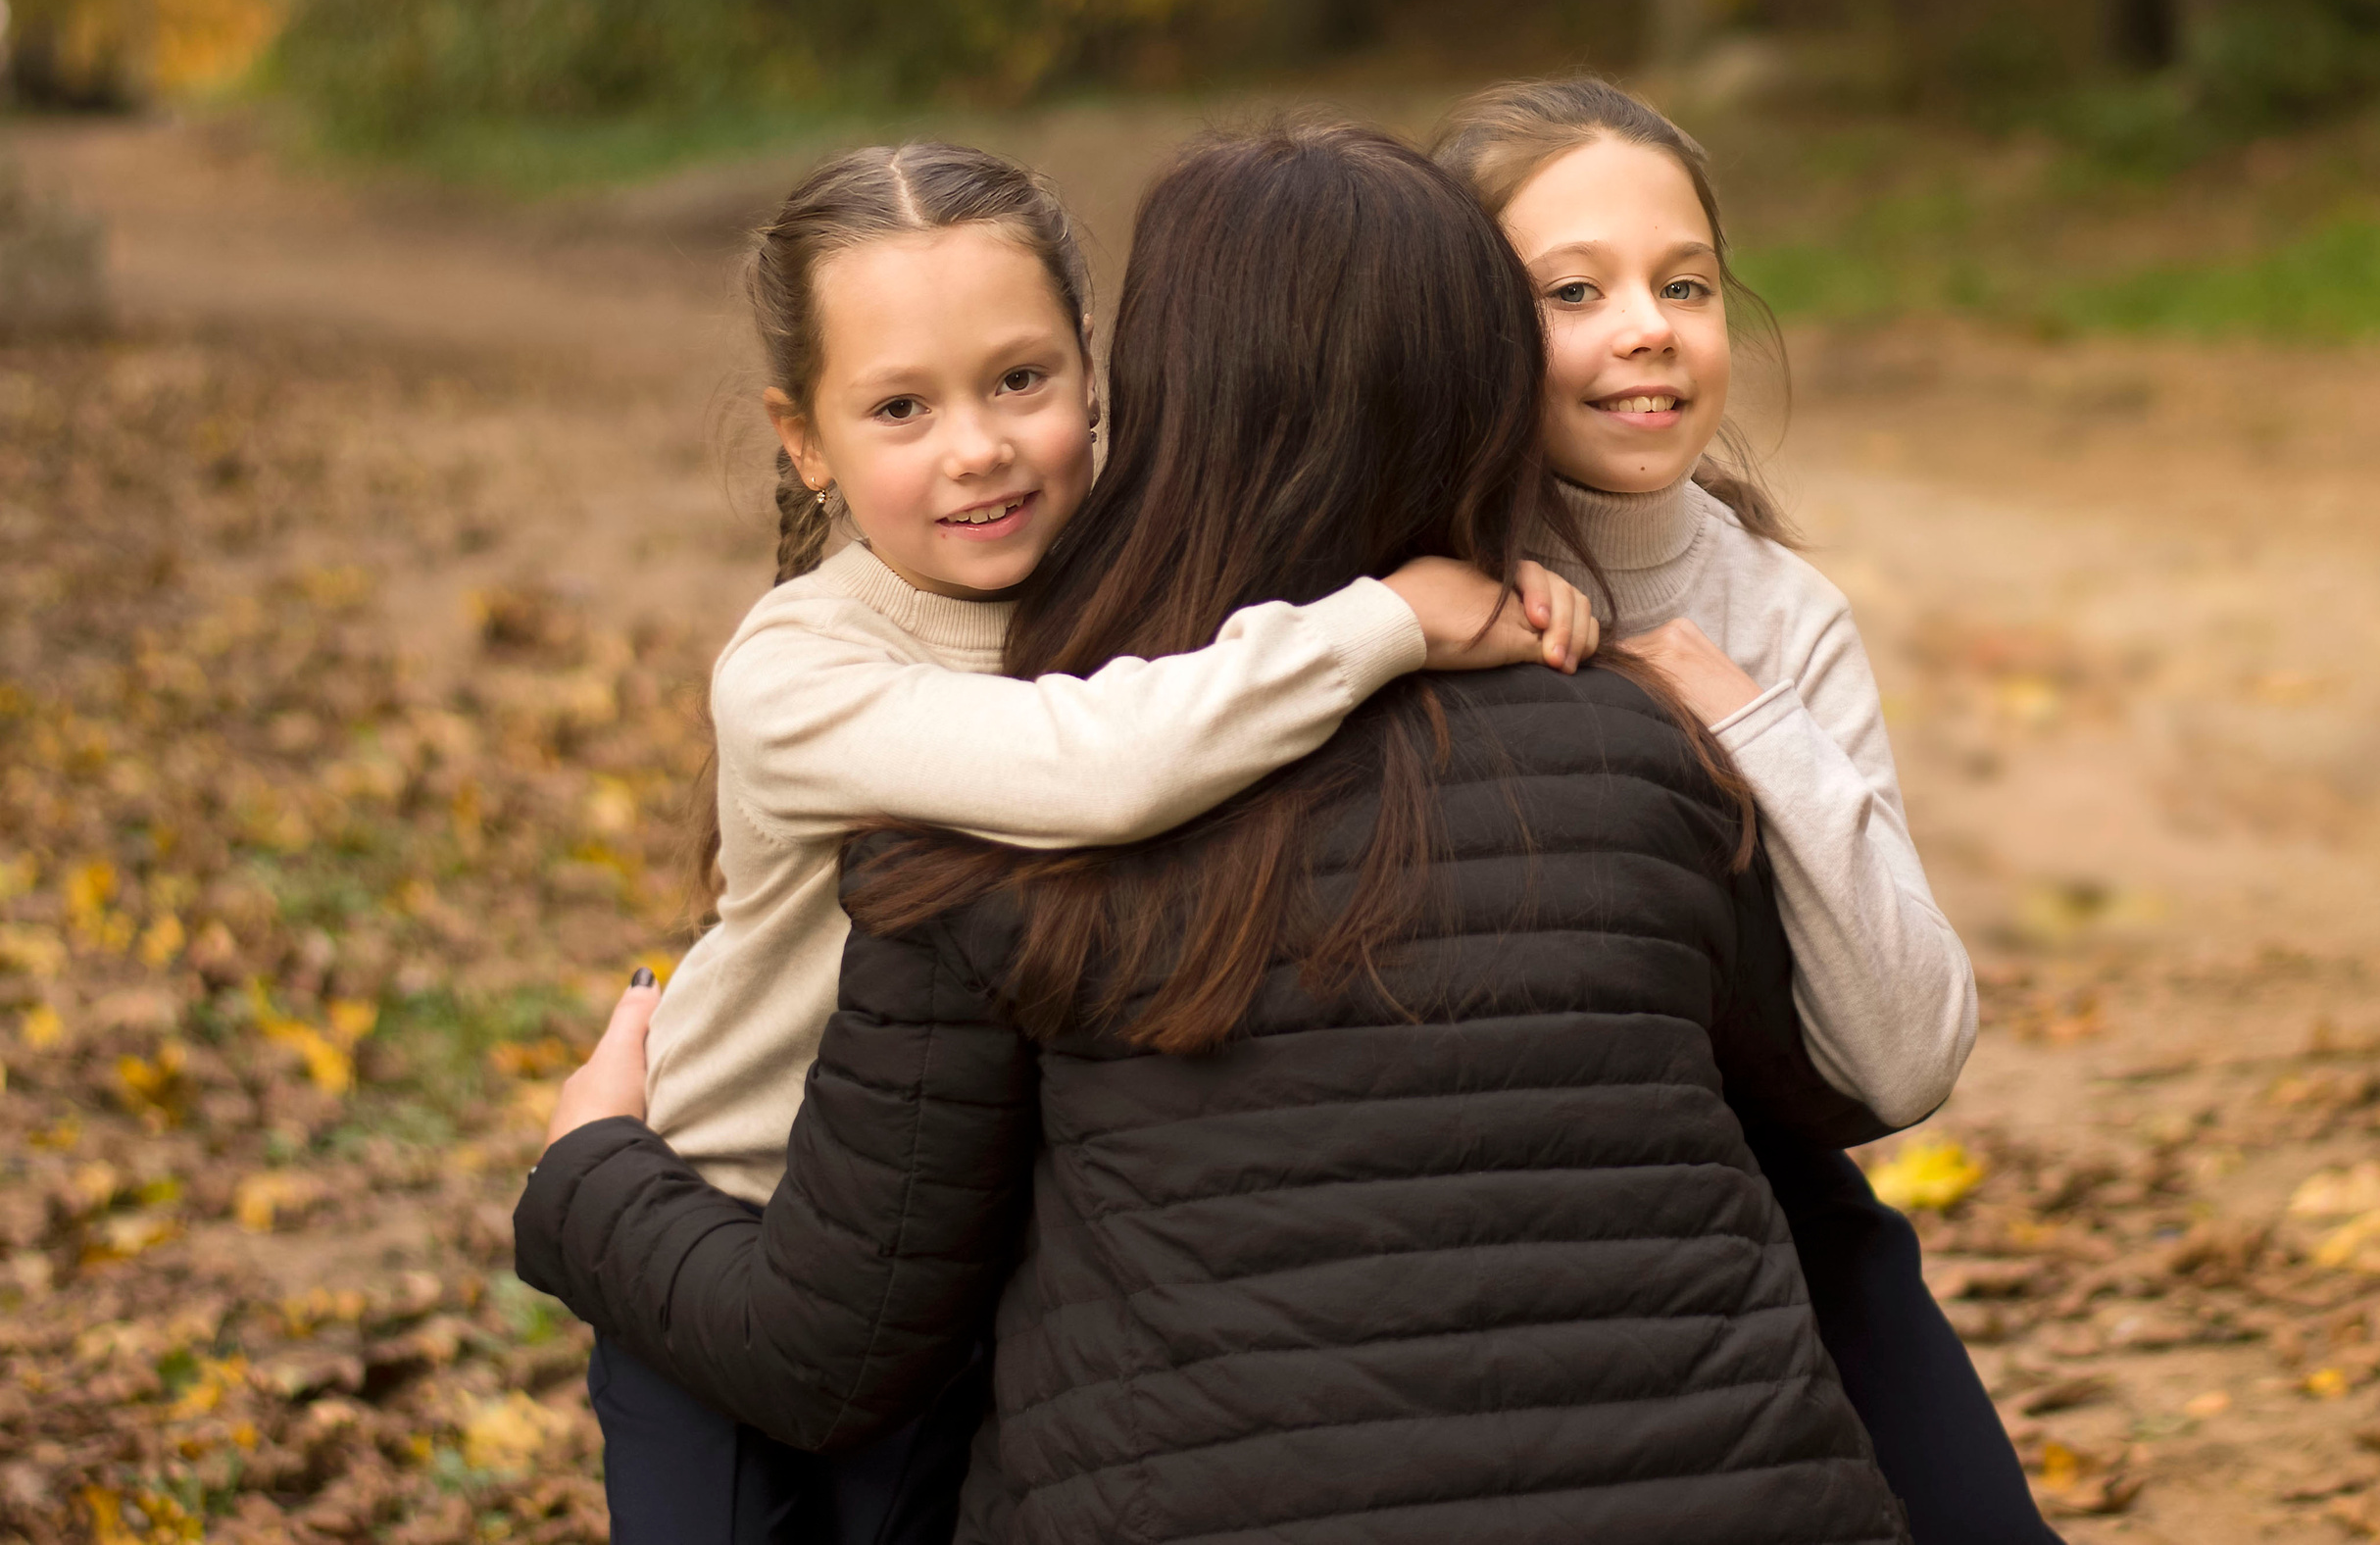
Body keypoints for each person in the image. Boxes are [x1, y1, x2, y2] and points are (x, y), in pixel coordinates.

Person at [519, 122, 1909, 1544]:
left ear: (1119, 382)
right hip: (727, 1195)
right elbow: (1094, 764)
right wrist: (589, 1166)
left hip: (911, 1231)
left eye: (1020, 380)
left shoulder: (1140, 628)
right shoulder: (825, 679)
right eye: (900, 410)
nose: (979, 447)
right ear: (801, 436)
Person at [1432, 75, 2058, 1544]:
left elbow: (1906, 1057)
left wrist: (1745, 715)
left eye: (1685, 282)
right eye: (1572, 291)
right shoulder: (1396, 582)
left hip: (1743, 1185)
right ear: (1457, 330)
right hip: (1470, 1205)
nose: (1646, 325)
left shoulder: (1779, 615)